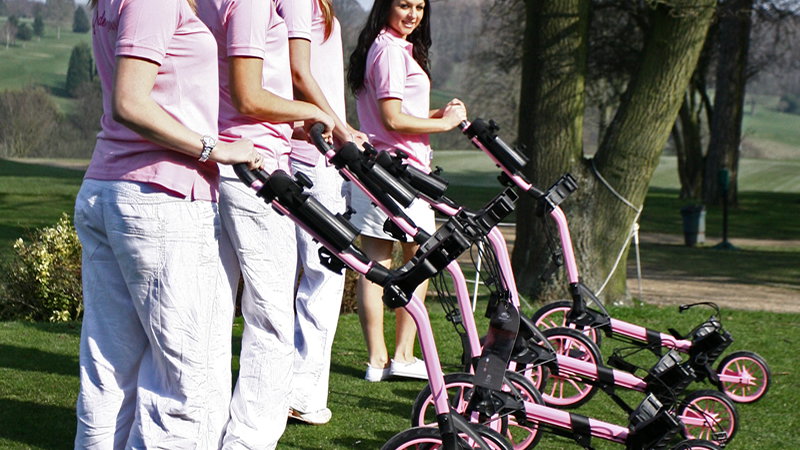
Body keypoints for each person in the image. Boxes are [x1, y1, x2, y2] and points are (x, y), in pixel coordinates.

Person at [73, 0, 262, 448]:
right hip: (160, 199)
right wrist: (213, 149)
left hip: (119, 190)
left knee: (109, 372)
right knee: (185, 383)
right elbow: (129, 102)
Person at [196, 0, 335, 447]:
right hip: (253, 169)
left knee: (213, 315)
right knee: (271, 319)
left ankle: (204, 433)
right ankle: (249, 440)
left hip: (218, 164)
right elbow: (248, 97)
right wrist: (312, 112)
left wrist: (289, 125)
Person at [347, 0, 467, 382]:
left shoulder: (388, 47)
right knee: (416, 261)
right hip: (398, 174)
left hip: (380, 169)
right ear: (386, 6)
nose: (413, 14)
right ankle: (398, 356)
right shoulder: (389, 51)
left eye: (419, 7)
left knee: (377, 264)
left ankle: (380, 362)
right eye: (404, 5)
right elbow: (392, 119)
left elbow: (396, 115)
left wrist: (435, 115)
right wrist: (445, 125)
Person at [274, 0, 368, 426]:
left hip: (317, 148)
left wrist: (344, 127)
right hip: (310, 154)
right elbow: (299, 72)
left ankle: (296, 388)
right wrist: (340, 131)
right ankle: (300, 392)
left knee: (315, 275)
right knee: (324, 273)